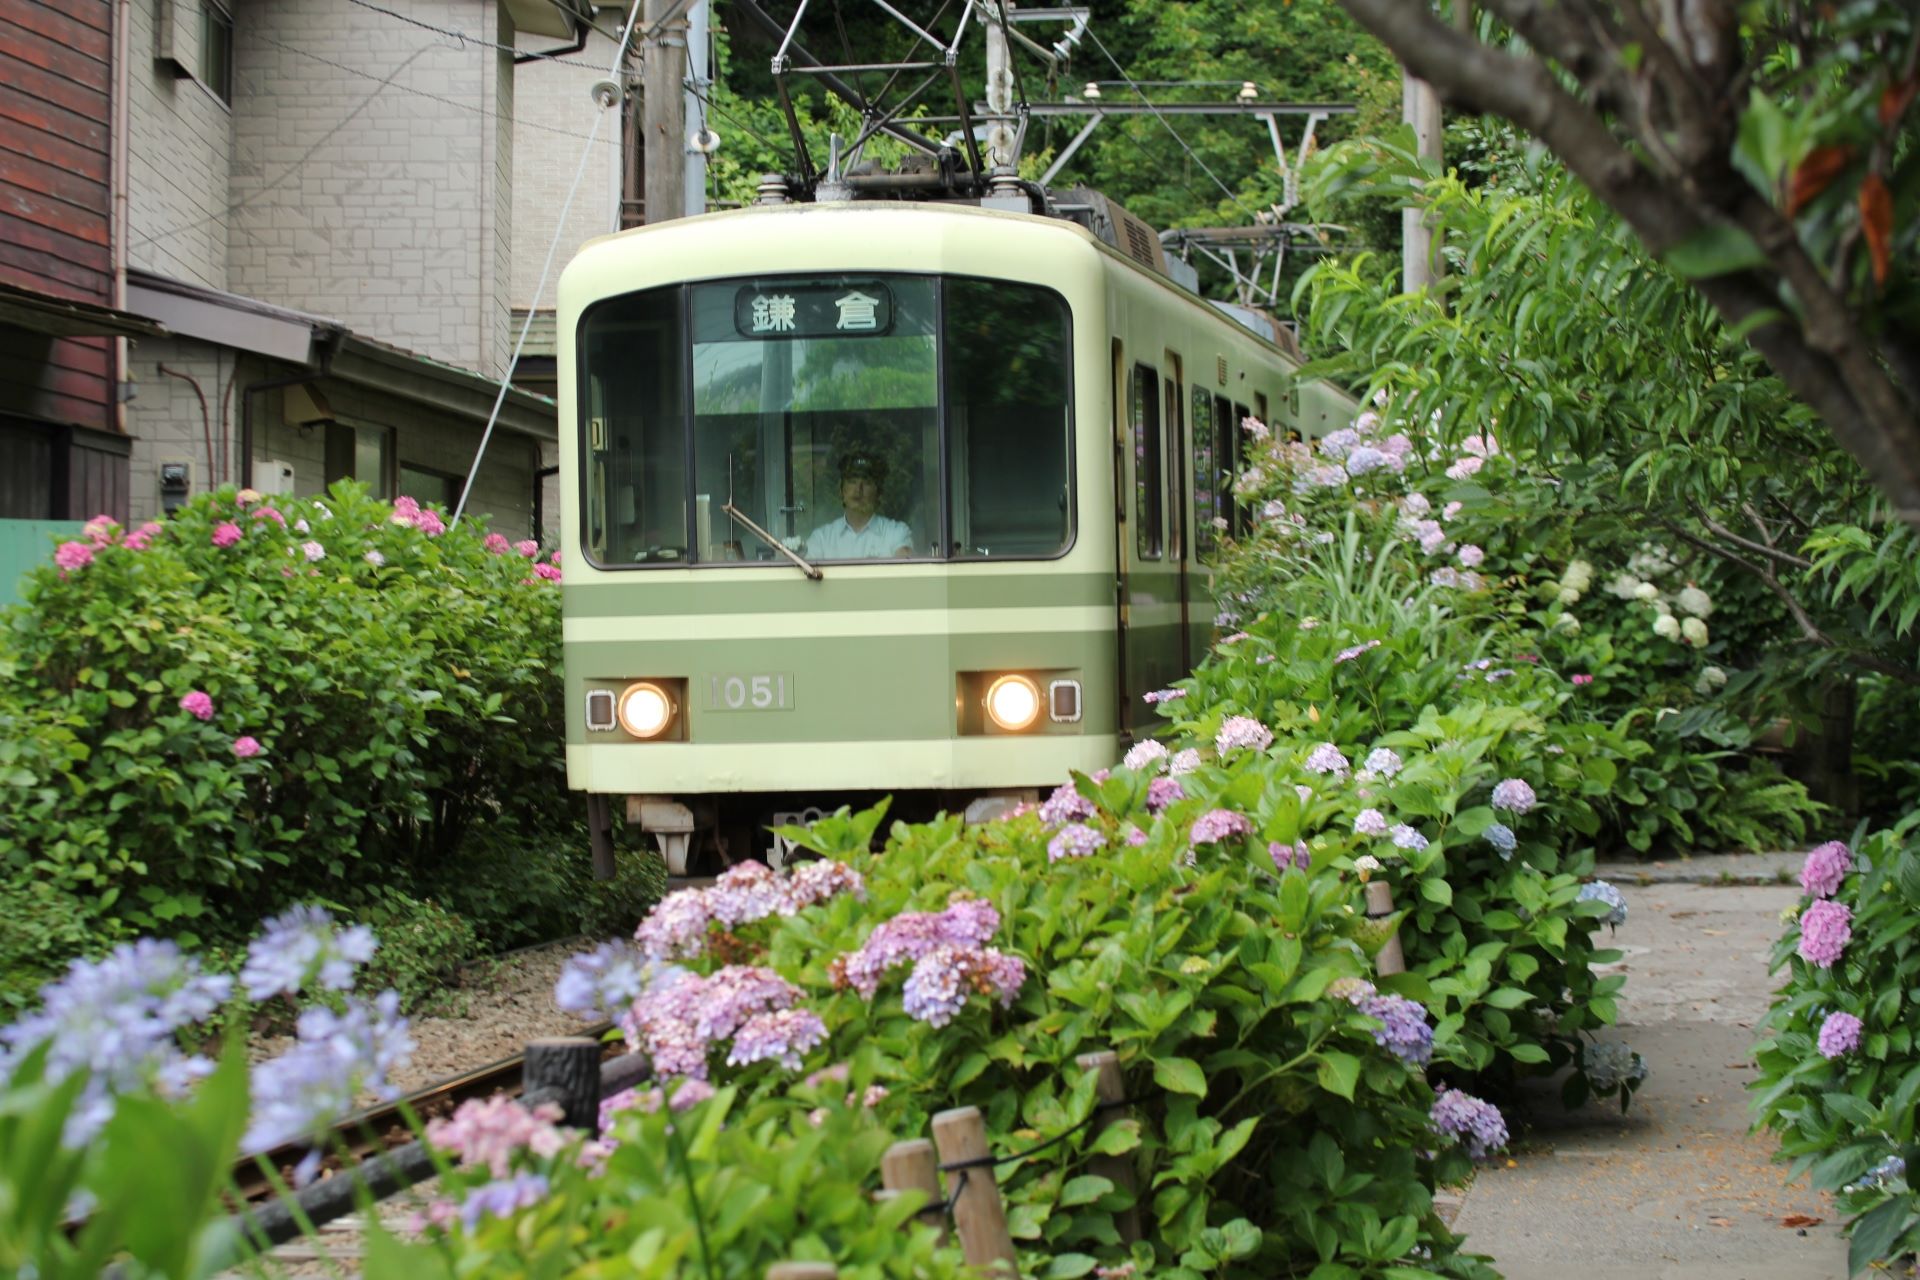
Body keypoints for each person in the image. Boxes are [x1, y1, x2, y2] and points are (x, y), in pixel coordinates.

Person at [803, 452, 912, 559]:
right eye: (852, 481)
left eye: (867, 482)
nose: (858, 489)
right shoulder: (822, 538)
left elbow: (905, 569)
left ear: (878, 493)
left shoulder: (896, 532)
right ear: (841, 490)